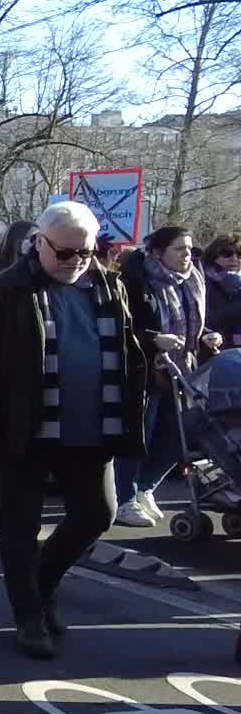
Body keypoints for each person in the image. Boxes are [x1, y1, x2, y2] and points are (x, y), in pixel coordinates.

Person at [0, 202, 148, 659]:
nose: (77, 261)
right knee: (19, 527)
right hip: (24, 429)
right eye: (64, 252)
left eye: (87, 251)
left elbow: (123, 345)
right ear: (39, 242)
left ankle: (41, 584)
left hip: (94, 426)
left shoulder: (107, 284)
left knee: (98, 513)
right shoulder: (5, 290)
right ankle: (29, 617)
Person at [114, 225, 224, 527]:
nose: (187, 255)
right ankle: (125, 498)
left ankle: (146, 487)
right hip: (145, 370)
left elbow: (196, 324)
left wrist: (208, 336)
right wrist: (153, 339)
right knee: (140, 435)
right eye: (179, 249)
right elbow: (122, 326)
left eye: (189, 249)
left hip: (183, 369)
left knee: (179, 435)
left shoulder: (193, 280)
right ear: (159, 252)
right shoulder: (137, 280)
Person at [200, 235, 241, 347]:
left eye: (239, 254)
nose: (234, 258)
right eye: (227, 253)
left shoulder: (238, 285)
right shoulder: (201, 281)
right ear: (212, 256)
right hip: (209, 349)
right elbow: (207, 318)